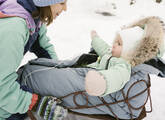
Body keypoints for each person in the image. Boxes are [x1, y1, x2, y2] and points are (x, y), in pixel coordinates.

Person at [18, 16, 165, 120]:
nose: (114, 45)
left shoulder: (123, 66)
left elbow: (115, 78)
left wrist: (102, 83)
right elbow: (104, 49)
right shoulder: (115, 55)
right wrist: (96, 39)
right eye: (116, 41)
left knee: (35, 76)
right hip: (88, 72)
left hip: (95, 82)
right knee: (45, 68)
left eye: (119, 44)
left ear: (130, 52)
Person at [0, 0, 71, 119]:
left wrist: (59, 76)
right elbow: (1, 88)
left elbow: (44, 48)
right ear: (47, 0)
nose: (65, 9)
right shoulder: (15, 29)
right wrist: (36, 103)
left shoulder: (33, 17)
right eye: (62, 3)